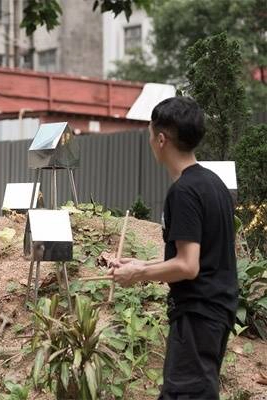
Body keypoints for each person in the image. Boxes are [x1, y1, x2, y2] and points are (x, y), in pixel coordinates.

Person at [109, 97, 238, 399]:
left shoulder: (184, 191)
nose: (150, 140)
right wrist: (140, 262)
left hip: (198, 314)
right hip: (214, 313)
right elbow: (202, 257)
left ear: (162, 138)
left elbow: (188, 266)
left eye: (151, 134)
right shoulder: (213, 184)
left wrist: (138, 273)